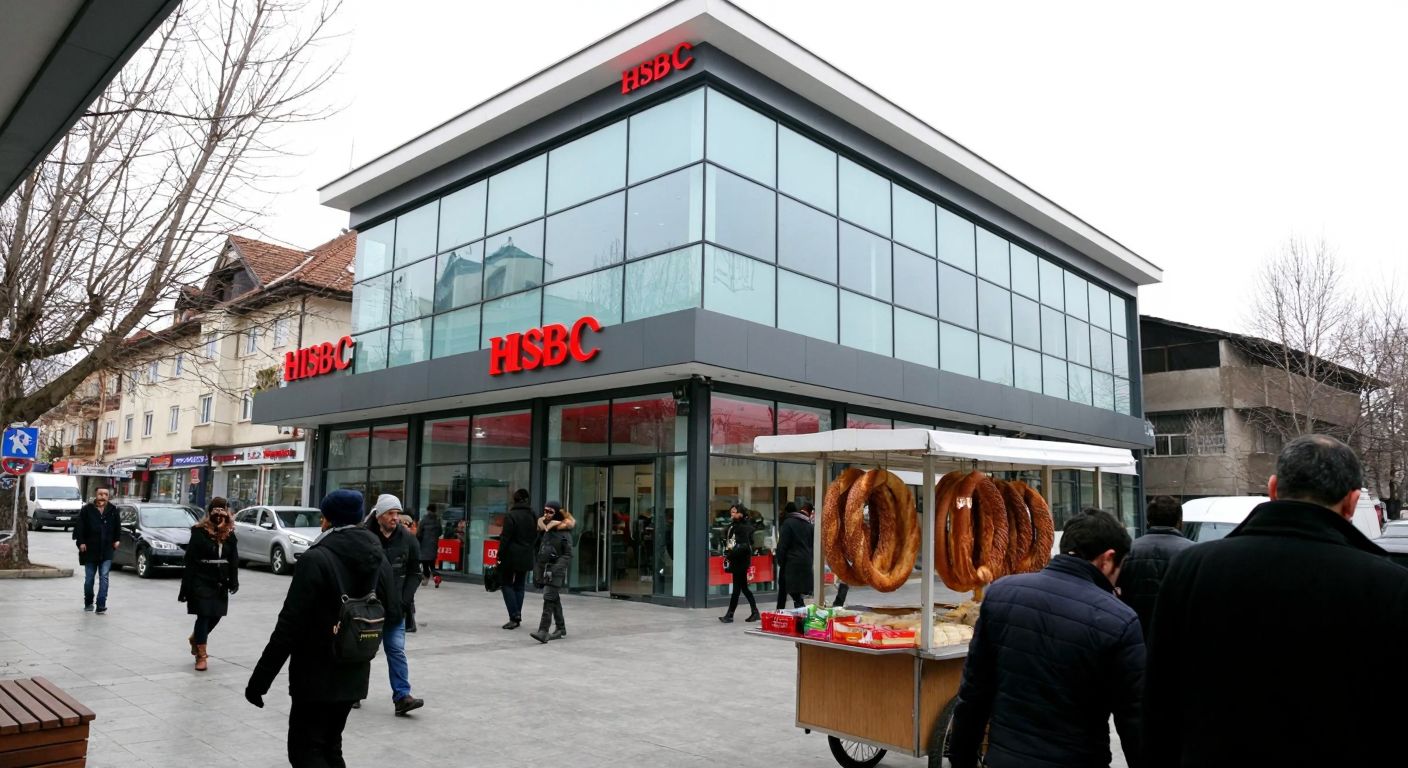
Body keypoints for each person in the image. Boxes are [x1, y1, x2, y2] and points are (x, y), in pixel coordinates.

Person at [1143, 435, 1408, 767]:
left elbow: (1158, 700)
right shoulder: (1389, 586)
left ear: (1272, 489)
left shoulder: (1193, 568)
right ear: (1352, 502)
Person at [949, 509, 1143, 768]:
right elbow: (1134, 721)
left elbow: (973, 693)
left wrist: (962, 759)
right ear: (1107, 559)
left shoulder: (1000, 594)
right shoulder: (1120, 620)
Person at [245, 490, 396, 766]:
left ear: (327, 519)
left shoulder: (316, 558)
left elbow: (289, 625)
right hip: (355, 667)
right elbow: (393, 608)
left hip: (315, 675)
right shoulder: (378, 555)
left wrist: (260, 680)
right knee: (331, 746)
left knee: (305, 751)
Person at [363, 494, 424, 715]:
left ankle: (402, 697)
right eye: (390, 513)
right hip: (366, 609)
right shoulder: (363, 536)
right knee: (361, 652)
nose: (395, 518)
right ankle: (354, 693)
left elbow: (415, 573)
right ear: (379, 515)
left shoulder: (407, 539)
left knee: (396, 650)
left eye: (397, 513)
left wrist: (403, 601)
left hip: (395, 609)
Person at [1116, 495, 1193, 642]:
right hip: (1177, 633)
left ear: (1148, 521)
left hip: (1135, 630)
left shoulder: (1129, 551)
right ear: (1179, 522)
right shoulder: (1193, 553)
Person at [179, 497, 239, 671]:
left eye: (222, 510)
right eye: (216, 510)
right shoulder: (199, 532)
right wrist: (185, 588)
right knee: (204, 615)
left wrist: (234, 580)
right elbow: (190, 560)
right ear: (209, 512)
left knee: (217, 615)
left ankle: (196, 638)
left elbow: (233, 558)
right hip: (201, 579)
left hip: (220, 581)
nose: (219, 514)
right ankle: (201, 656)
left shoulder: (230, 533)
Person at [530, 501, 574, 644]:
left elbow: (567, 554)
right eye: (545, 511)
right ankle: (561, 628)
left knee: (549, 597)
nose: (546, 514)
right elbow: (539, 548)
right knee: (554, 598)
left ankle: (543, 630)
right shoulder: (546, 530)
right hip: (545, 569)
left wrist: (555, 569)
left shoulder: (564, 532)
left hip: (555, 571)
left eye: (550, 512)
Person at [74, 487, 120, 614]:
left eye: (106, 494)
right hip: (90, 550)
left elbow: (118, 527)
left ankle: (101, 604)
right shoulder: (87, 510)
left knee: (104, 577)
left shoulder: (112, 510)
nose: (103, 496)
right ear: (96, 495)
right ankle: (88, 602)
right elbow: (79, 527)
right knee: (89, 579)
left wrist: (117, 540)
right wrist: (81, 542)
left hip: (106, 550)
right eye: (101, 494)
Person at [498, 488, 538, 630]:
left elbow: (505, 538)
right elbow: (535, 535)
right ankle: (517, 615)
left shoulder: (511, 515)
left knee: (506, 584)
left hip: (511, 556)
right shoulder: (533, 515)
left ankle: (514, 615)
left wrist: (499, 557)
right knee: (520, 585)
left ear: (514, 500)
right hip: (526, 555)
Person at [718, 503, 760, 623]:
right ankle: (755, 612)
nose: (732, 514)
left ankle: (730, 615)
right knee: (744, 588)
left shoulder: (743, 527)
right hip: (737, 559)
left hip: (740, 560)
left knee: (737, 588)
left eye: (735, 512)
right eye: (731, 512)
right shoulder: (735, 525)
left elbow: (744, 546)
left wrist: (730, 553)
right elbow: (732, 541)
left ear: (741, 513)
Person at [774, 501, 813, 609]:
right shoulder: (809, 525)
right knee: (790, 589)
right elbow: (812, 546)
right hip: (805, 562)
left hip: (790, 562)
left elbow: (782, 545)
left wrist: (780, 561)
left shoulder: (788, 523)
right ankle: (783, 611)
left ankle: (783, 612)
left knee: (786, 589)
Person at [417, 503, 443, 588]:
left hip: (424, 545)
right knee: (432, 564)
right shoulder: (437, 520)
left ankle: (426, 578)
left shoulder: (424, 519)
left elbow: (419, 533)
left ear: (428, 510)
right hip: (433, 545)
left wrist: (418, 541)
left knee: (425, 564)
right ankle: (436, 577)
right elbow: (440, 532)